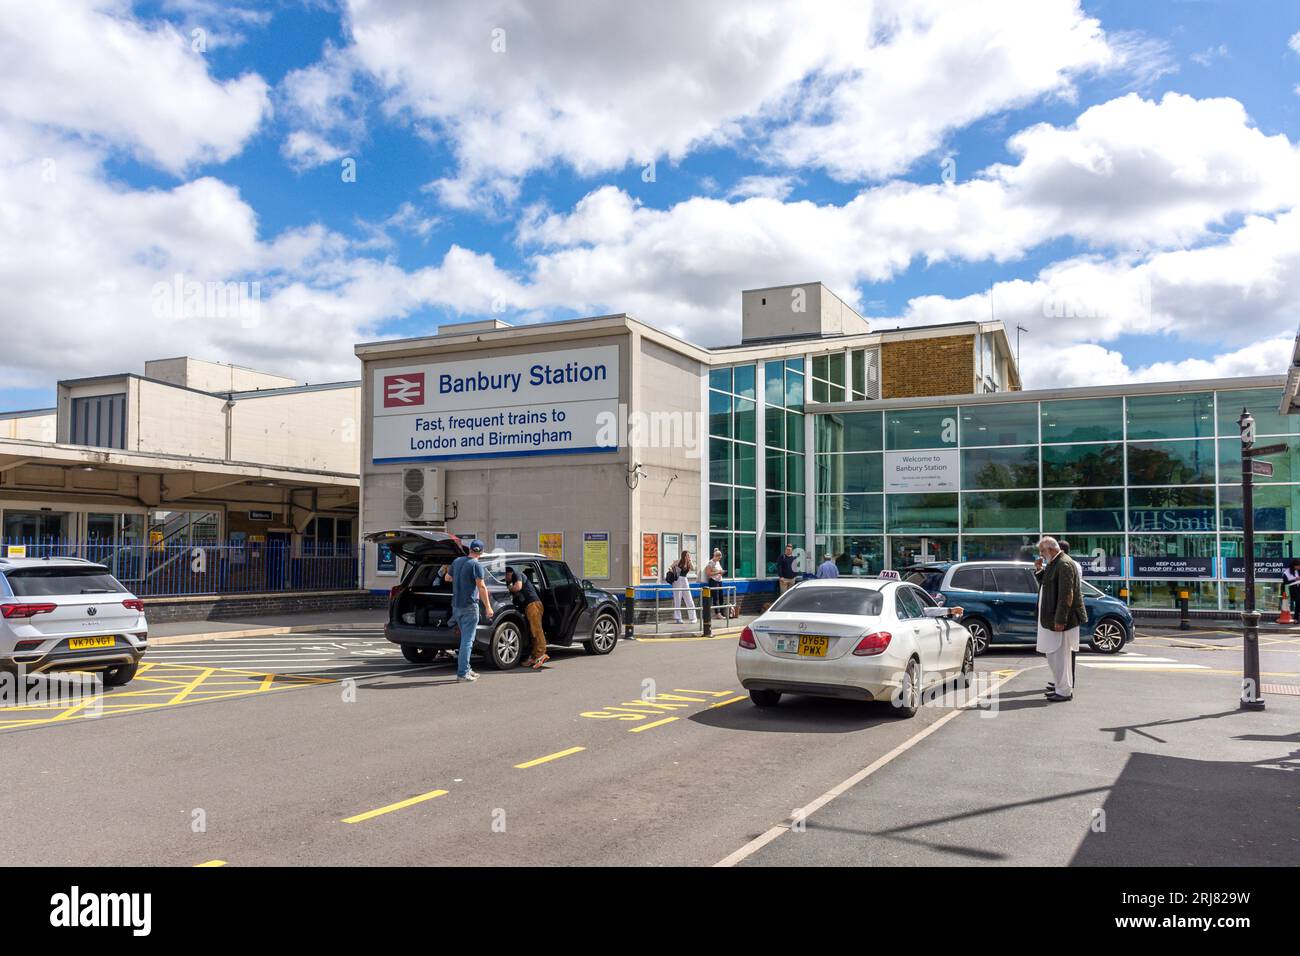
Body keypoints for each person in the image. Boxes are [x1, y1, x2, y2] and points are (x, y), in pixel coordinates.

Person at [1034, 536, 1085, 702]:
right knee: (1055, 655)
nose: (1041, 555)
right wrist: (1039, 569)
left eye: (1042, 551)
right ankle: (1061, 687)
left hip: (1059, 619)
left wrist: (1060, 619)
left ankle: (1063, 691)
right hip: (1052, 618)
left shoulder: (1063, 564)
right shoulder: (1055, 562)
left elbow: (1066, 595)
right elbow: (1047, 584)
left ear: (1051, 549)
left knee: (1059, 656)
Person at [450, 539, 494, 683]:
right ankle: (462, 674)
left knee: (465, 640)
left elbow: (447, 577)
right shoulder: (476, 564)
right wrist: (488, 607)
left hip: (456, 607)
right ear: (480, 552)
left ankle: (467, 669)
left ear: (469, 550)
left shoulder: (456, 561)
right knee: (467, 641)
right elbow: (481, 587)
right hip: (469, 606)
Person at [506, 565, 548, 669]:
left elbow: (518, 587)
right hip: (530, 606)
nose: (506, 580)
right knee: (532, 632)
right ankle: (534, 657)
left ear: (508, 573)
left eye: (505, 577)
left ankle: (541, 654)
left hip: (533, 605)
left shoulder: (517, 574)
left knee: (537, 630)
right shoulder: (515, 577)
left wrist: (508, 588)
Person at [669, 550, 697, 624]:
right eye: (687, 555)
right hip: (677, 580)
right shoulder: (678, 561)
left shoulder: (688, 562)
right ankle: (678, 618)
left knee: (689, 598)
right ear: (684, 555)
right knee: (677, 599)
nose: (689, 556)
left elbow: (693, 568)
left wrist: (690, 561)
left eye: (689, 555)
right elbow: (670, 567)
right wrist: (673, 572)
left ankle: (693, 617)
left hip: (684, 579)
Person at [705, 549, 727, 618]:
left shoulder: (717, 562)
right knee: (716, 597)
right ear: (716, 556)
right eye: (719, 557)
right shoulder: (711, 563)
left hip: (719, 581)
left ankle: (721, 612)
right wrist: (718, 572)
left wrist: (721, 572)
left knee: (721, 597)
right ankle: (717, 613)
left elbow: (718, 570)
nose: (719, 559)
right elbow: (708, 573)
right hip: (713, 581)